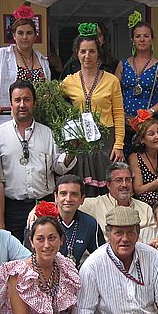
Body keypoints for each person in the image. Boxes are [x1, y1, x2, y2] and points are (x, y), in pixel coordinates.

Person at [0, 80, 76, 241]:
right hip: (11, 208)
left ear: (34, 103)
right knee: (13, 251)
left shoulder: (48, 134)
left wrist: (72, 151)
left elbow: (59, 167)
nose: (22, 104)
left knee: (45, 248)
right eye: (17, 100)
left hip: (44, 204)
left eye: (26, 99)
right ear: (11, 104)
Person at [61, 23, 125, 196]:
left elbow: (118, 114)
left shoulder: (111, 81)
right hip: (80, 142)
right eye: (83, 51)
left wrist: (118, 145)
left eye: (92, 51)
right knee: (82, 189)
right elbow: (57, 107)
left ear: (98, 53)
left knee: (107, 189)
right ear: (77, 53)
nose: (87, 56)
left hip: (106, 141)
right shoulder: (68, 82)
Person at [116, 15, 158, 154]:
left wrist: (149, 112)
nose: (142, 39)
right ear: (132, 40)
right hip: (125, 123)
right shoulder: (123, 65)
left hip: (149, 125)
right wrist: (123, 116)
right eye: (138, 36)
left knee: (148, 160)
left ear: (152, 40)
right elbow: (113, 93)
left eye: (146, 36)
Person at [0, 3, 51, 116]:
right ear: (14, 36)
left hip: (38, 116)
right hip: (9, 115)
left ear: (35, 36)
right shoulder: (2, 55)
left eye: (29, 33)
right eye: (20, 33)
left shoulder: (43, 61)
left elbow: (48, 91)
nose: (25, 37)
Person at [79, 162, 155, 233]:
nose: (124, 185)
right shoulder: (92, 205)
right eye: (119, 180)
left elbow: (155, 235)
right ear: (108, 185)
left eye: (128, 180)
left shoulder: (145, 209)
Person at [53, 174, 105, 267]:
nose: (68, 199)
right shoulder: (43, 221)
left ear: (82, 199)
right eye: (63, 194)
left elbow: (100, 257)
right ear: (56, 197)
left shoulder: (90, 224)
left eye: (74, 194)